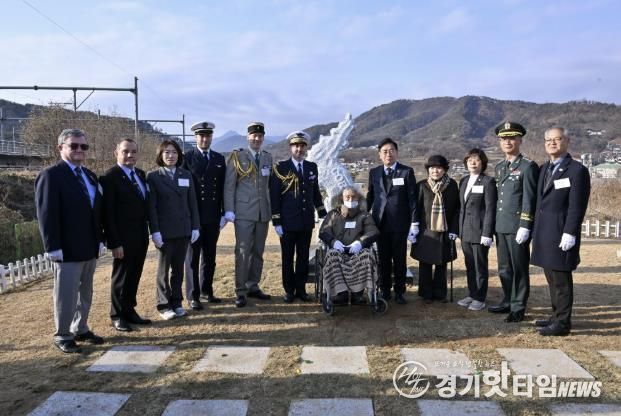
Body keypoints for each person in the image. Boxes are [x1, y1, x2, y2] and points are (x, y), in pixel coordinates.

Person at [35, 128, 105, 353]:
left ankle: (80, 327)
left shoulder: (90, 176)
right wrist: (52, 246)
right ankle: (63, 334)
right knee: (66, 294)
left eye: (83, 146)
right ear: (60, 148)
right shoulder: (51, 175)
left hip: (89, 245)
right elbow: (46, 214)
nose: (79, 150)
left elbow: (96, 211)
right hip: (66, 248)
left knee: (86, 292)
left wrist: (100, 239)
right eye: (73, 145)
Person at [531, 127, 590, 336]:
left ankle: (563, 323)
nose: (552, 143)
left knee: (561, 280)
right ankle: (556, 316)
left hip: (561, 232)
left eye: (557, 139)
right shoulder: (544, 168)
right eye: (548, 140)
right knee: (551, 278)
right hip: (544, 232)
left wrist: (570, 232)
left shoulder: (577, 170)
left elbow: (577, 206)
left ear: (567, 141)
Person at [270, 130, 327, 303]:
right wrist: (277, 221)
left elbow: (315, 192)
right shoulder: (280, 167)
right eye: (296, 146)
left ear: (306, 148)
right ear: (290, 147)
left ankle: (301, 289)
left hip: (306, 221)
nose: (299, 149)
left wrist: (322, 212)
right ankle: (289, 290)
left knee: (303, 257)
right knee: (287, 258)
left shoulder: (311, 167)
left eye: (302, 146)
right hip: (287, 222)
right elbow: (274, 196)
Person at [100, 138, 151, 332]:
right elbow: (108, 213)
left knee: (135, 274)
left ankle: (129, 310)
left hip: (140, 235)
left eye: (133, 151)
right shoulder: (109, 177)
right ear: (116, 153)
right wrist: (114, 242)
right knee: (121, 277)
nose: (130, 155)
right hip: (122, 237)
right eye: (125, 151)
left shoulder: (140, 174)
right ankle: (117, 315)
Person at [490, 122, 539, 323]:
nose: (507, 142)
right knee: (504, 268)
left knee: (519, 268)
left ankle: (518, 307)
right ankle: (508, 300)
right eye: (504, 139)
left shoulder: (528, 166)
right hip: (501, 225)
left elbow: (529, 198)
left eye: (512, 138)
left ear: (520, 140)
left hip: (517, 227)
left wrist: (525, 226)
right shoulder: (499, 167)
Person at [147, 140, 200, 320]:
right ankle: (164, 305)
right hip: (164, 232)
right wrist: (154, 231)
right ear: (160, 155)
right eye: (167, 152)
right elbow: (152, 207)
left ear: (179, 155)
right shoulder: (154, 176)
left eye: (174, 152)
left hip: (183, 229)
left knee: (178, 270)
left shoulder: (186, 174)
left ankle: (177, 302)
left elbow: (192, 202)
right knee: (163, 270)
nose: (171, 156)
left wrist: (195, 226)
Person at [223, 122, 273, 307]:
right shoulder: (237, 156)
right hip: (243, 212)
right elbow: (229, 186)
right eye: (254, 136)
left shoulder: (267, 157)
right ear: (248, 137)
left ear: (263, 138)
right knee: (243, 252)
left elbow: (267, 186)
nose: (257, 139)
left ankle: (253, 285)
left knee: (258, 252)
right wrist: (229, 210)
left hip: (262, 212)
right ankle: (240, 290)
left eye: (260, 136)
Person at [367, 137, 418, 304]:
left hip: (399, 223)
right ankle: (384, 290)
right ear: (379, 155)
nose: (388, 154)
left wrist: (414, 222)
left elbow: (412, 199)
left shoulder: (406, 172)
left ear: (397, 153)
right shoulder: (374, 172)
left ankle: (400, 291)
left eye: (391, 151)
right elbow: (370, 197)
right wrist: (363, 217)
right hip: (380, 223)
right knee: (383, 259)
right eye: (385, 151)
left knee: (399, 259)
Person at [182, 121, 227, 310]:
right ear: (196, 137)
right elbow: (183, 189)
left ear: (211, 137)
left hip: (213, 215)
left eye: (208, 135)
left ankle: (207, 291)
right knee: (192, 258)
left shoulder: (219, 158)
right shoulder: (186, 158)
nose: (205, 139)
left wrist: (224, 211)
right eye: (201, 135)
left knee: (210, 257)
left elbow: (223, 187)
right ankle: (193, 295)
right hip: (194, 216)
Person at [411, 155, 460, 304]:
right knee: (425, 263)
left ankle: (440, 293)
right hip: (426, 231)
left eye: (439, 168)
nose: (435, 171)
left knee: (442, 263)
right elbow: (416, 208)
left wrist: (454, 229)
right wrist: (414, 226)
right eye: (432, 168)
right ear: (428, 170)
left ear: (444, 170)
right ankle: (425, 293)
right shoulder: (422, 185)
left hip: (445, 231)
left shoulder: (452, 185)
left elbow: (456, 209)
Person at [318, 186, 380, 304]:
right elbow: (324, 231)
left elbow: (373, 231)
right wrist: (333, 242)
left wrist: (360, 243)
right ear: (342, 198)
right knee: (332, 256)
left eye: (353, 197)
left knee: (367, 256)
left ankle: (358, 294)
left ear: (358, 198)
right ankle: (341, 293)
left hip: (358, 251)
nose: (350, 200)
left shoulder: (365, 215)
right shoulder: (333, 214)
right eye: (347, 197)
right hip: (338, 251)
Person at [457, 148, 497, 311]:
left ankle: (480, 297)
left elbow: (490, 209)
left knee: (480, 266)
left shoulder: (488, 182)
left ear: (483, 163)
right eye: (470, 160)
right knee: (469, 265)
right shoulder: (464, 180)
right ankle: (472, 293)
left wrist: (487, 233)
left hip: (480, 232)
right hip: (465, 230)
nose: (473, 163)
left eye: (477, 160)